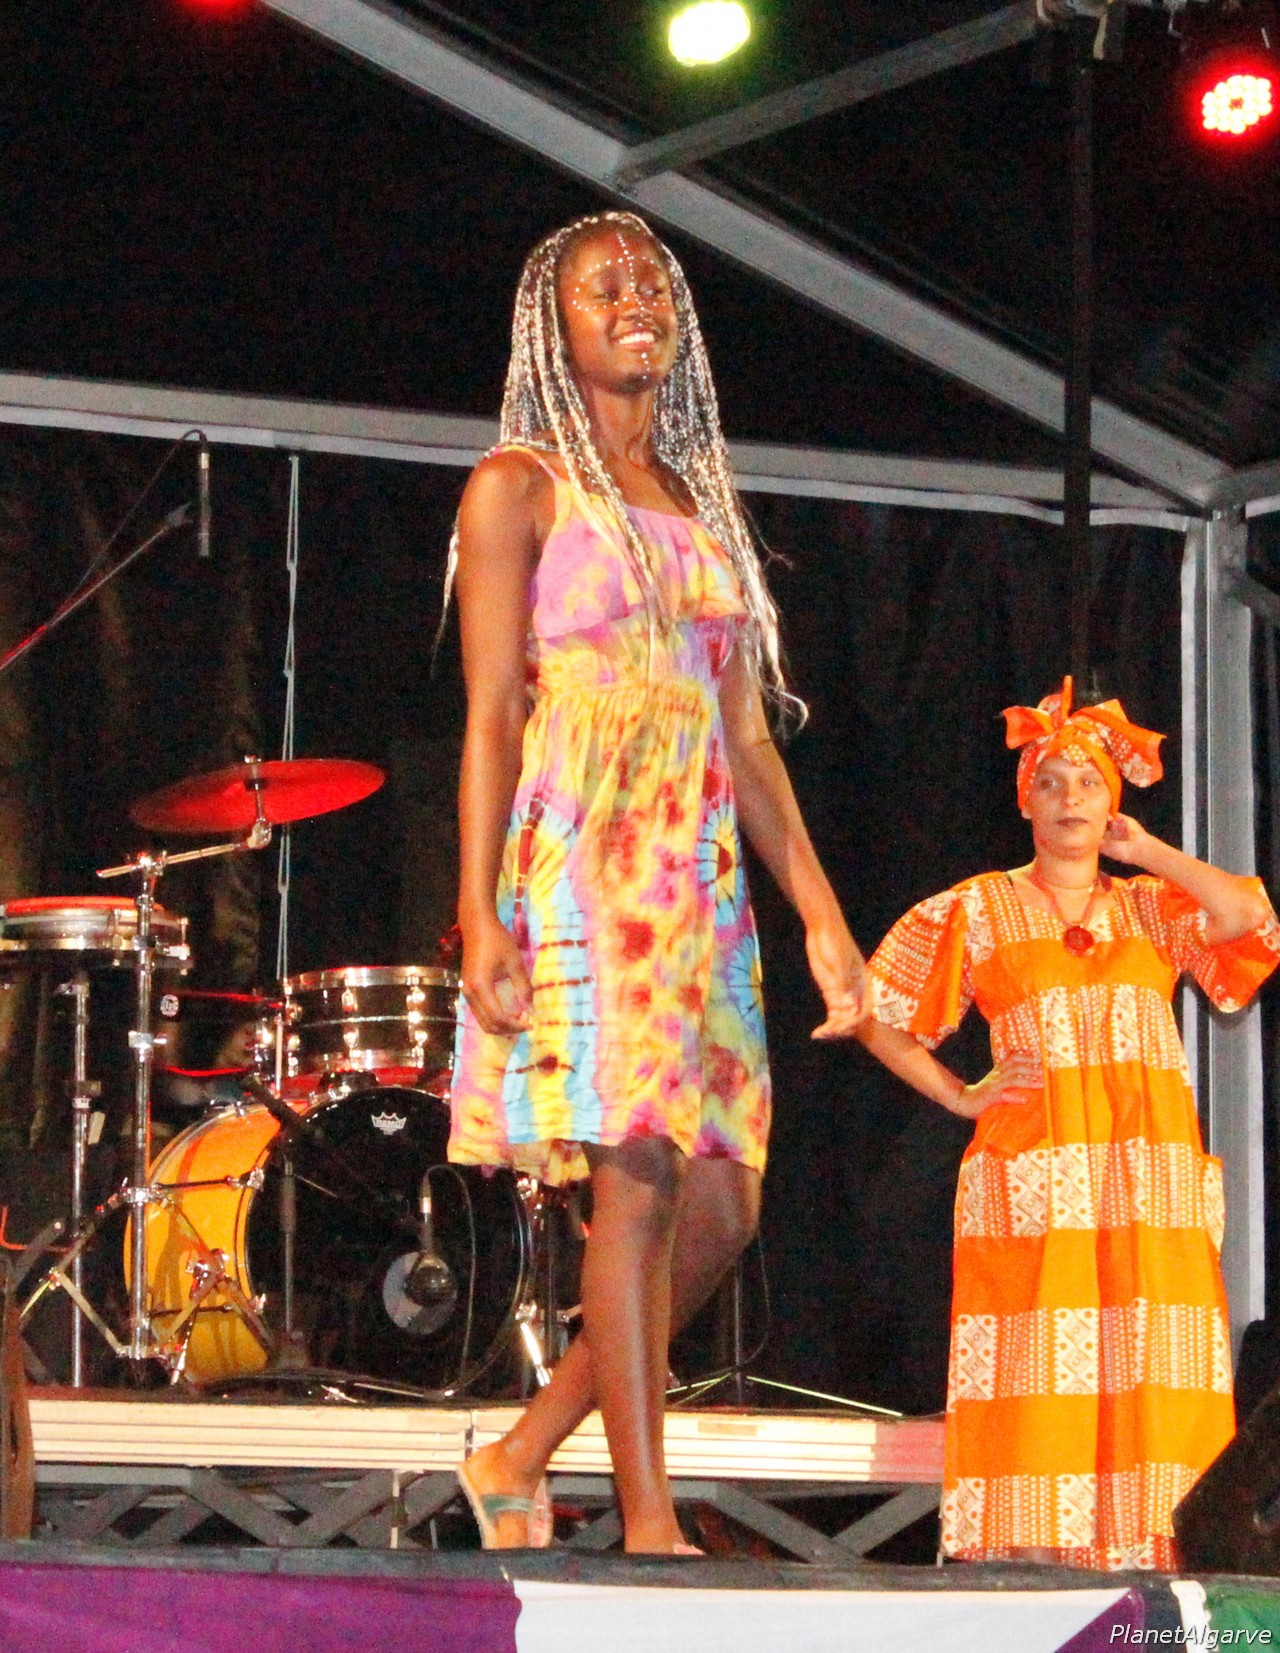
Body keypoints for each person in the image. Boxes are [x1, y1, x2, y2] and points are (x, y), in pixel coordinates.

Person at [444, 211, 868, 1554]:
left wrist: (822, 918)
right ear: (552, 327)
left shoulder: (696, 500)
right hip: (586, 859)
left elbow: (747, 739)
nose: (633, 297)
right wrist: (478, 907)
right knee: (633, 1178)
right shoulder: (517, 488)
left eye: (649, 280)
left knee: (723, 1209)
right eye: (599, 286)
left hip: (699, 879)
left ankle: (517, 1454)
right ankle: (646, 1520)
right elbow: (492, 716)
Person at [858, 678, 1279, 1571]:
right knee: (1035, 1385)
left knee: (1154, 1379)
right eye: (1049, 781)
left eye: (1088, 781)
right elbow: (875, 1010)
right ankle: (1029, 1578)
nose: (1070, 798)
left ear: (1113, 799)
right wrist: (959, 1093)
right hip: (1036, 1182)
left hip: (1147, 1185)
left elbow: (1248, 919)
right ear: (1025, 802)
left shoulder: (1152, 906)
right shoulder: (977, 907)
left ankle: (1158, 1581)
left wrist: (1149, 849)